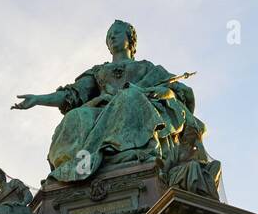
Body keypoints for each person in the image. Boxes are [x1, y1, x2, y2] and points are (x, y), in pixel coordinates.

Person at [12, 20, 210, 184]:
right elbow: (71, 95)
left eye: (116, 33)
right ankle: (78, 164)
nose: (112, 37)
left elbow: (178, 92)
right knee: (75, 116)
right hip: (102, 109)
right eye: (109, 35)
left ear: (130, 39)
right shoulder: (99, 71)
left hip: (136, 105)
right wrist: (39, 99)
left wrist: (155, 91)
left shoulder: (148, 68)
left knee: (129, 97)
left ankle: (123, 152)